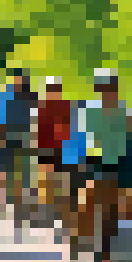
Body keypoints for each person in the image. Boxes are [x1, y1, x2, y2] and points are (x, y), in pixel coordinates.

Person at [72, 69, 132, 262]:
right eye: (103, 89)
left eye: (110, 89)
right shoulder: (91, 112)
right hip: (99, 164)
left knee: (127, 206)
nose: (107, 93)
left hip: (123, 163)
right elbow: (83, 140)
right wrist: (83, 163)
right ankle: (100, 248)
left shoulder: (125, 112)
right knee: (96, 204)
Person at [33, 75, 77, 231]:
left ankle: (61, 214)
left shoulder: (65, 106)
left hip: (60, 150)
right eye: (50, 90)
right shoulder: (41, 107)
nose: (52, 92)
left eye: (54, 89)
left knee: (60, 182)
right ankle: (47, 213)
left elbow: (70, 129)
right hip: (45, 149)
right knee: (46, 183)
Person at [0, 69, 36, 216]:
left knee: (23, 168)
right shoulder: (7, 95)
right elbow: (0, 118)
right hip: (9, 137)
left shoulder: (29, 96)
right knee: (8, 167)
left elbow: (33, 117)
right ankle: (8, 199)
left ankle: (22, 199)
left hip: (23, 137)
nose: (19, 81)